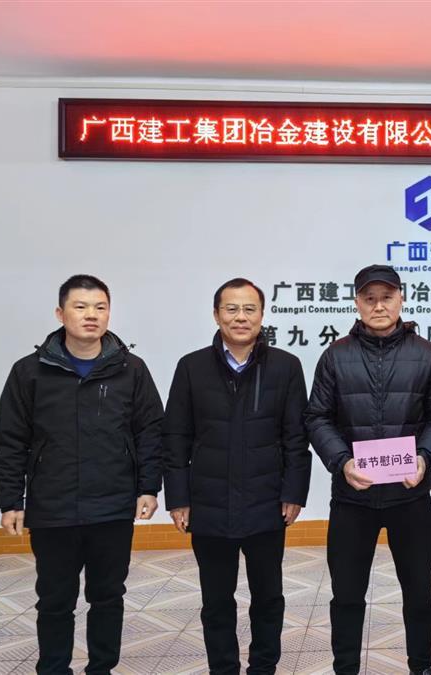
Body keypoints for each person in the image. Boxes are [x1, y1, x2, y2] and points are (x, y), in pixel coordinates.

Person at [0, 274, 163, 675]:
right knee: (55, 600)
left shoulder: (131, 370)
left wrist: (148, 487)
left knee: (108, 597)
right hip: (53, 507)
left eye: (100, 307)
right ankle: (54, 669)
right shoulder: (30, 372)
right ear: (60, 313)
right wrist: (10, 500)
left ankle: (101, 668)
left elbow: (151, 431)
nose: (91, 315)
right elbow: (10, 440)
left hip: (112, 506)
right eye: (81, 306)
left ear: (109, 314)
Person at [305, 264, 431, 675]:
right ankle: (346, 668)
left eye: (387, 297)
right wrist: (342, 462)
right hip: (353, 497)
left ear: (401, 299)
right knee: (347, 595)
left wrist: (424, 457)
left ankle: (422, 666)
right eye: (369, 299)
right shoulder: (336, 356)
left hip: (410, 495)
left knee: (418, 592)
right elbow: (317, 416)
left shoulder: (426, 354)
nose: (379, 306)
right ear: (357, 303)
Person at [162, 277, 311, 675]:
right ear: (216, 315)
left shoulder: (285, 366)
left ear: (262, 315)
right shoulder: (192, 367)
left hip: (267, 504)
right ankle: (223, 668)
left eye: (249, 309)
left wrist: (294, 492)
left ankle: (263, 667)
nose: (240, 317)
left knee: (269, 597)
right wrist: (178, 497)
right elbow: (175, 436)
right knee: (216, 601)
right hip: (208, 506)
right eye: (231, 309)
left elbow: (296, 437)